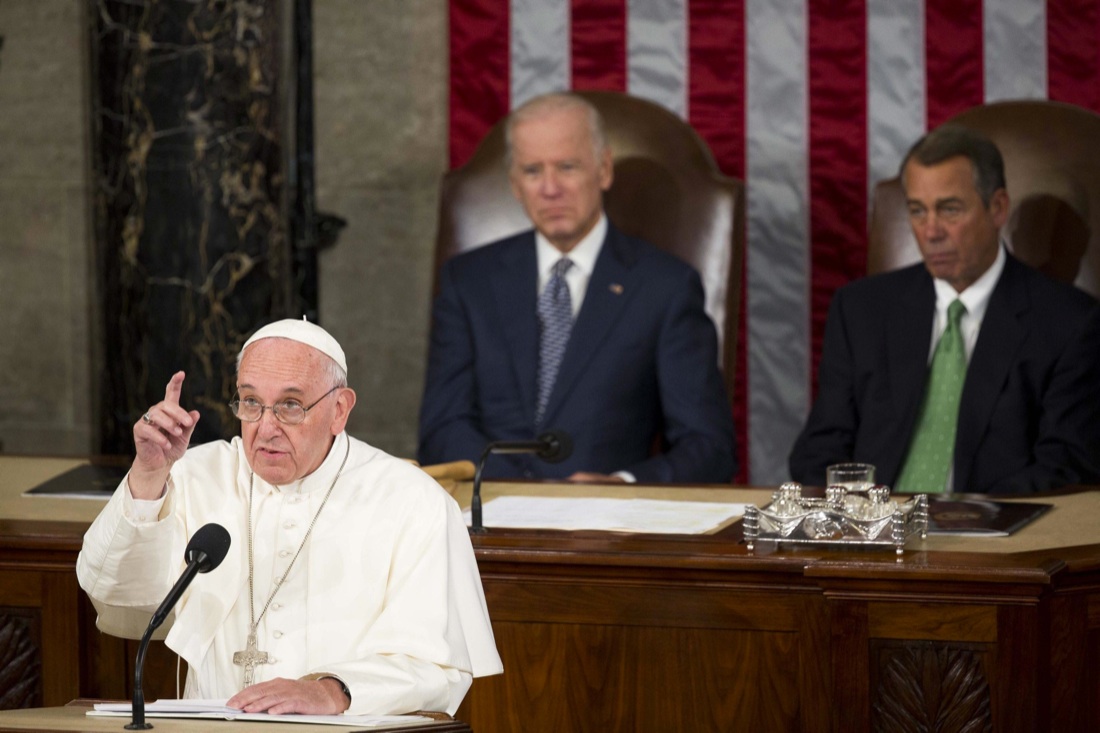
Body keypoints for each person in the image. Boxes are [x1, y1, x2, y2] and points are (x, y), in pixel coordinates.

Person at [77, 319, 503, 715]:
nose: (265, 427)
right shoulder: (194, 475)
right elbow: (118, 601)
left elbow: (438, 665)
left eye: (291, 405)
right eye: (251, 403)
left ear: (340, 409)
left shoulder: (412, 501)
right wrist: (149, 474)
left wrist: (332, 690)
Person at [418, 92, 736, 483]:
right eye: (533, 171)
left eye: (567, 167)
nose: (550, 189)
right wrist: (525, 494)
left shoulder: (665, 286)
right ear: (515, 184)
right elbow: (442, 429)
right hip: (490, 518)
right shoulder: (468, 282)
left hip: (607, 528)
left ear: (603, 170)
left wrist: (623, 485)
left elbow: (709, 447)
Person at [789, 125, 1100, 495]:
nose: (931, 231)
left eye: (949, 209)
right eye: (918, 211)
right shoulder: (860, 311)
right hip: (871, 536)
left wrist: (961, 520)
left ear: (998, 207)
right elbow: (818, 451)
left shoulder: (1070, 324)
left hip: (989, 540)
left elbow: (1065, 468)